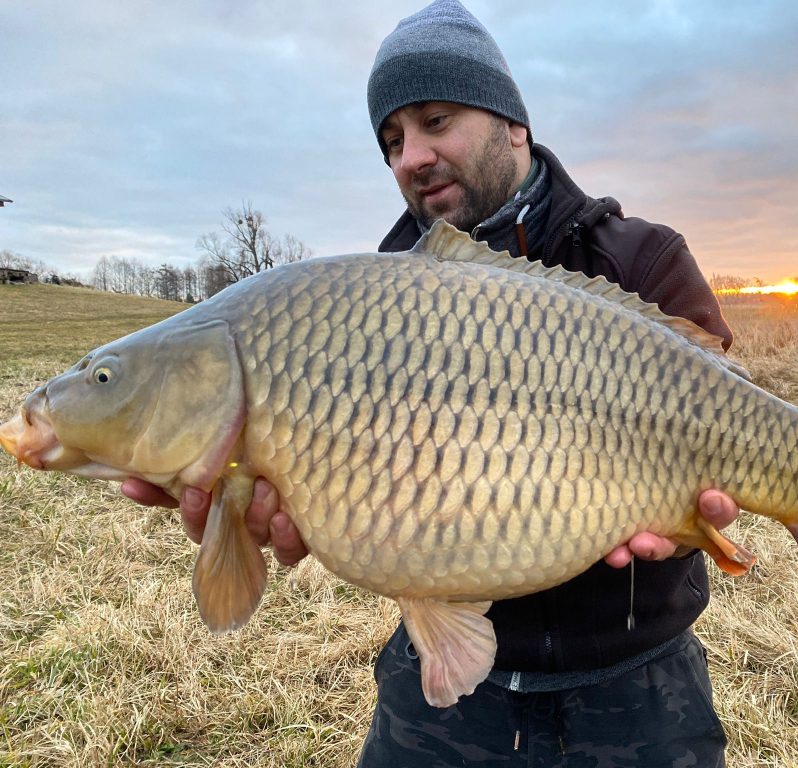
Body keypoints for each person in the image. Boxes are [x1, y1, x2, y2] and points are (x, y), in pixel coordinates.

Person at [125, 1, 741, 764]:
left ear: (513, 122)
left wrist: (698, 518)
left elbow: (719, 449)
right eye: (391, 140)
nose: (410, 156)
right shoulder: (357, 310)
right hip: (442, 696)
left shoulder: (639, 261)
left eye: (436, 120)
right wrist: (281, 506)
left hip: (640, 680)